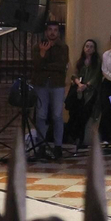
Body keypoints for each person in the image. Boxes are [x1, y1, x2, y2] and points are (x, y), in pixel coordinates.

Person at [32, 22, 70, 155]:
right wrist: (42, 53)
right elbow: (36, 65)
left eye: (55, 30)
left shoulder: (63, 47)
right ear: (46, 32)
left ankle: (58, 146)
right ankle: (41, 145)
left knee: (57, 115)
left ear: (58, 33)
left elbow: (61, 66)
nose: (52, 33)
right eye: (50, 30)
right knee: (41, 115)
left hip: (57, 84)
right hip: (41, 84)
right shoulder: (38, 47)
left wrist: (45, 65)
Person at [63, 39, 102, 150]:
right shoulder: (80, 62)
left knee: (84, 115)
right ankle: (72, 137)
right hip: (79, 92)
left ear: (94, 49)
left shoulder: (97, 62)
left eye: (91, 47)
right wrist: (79, 84)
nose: (88, 48)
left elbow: (96, 77)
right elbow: (74, 75)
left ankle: (80, 138)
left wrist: (86, 85)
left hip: (90, 93)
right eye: (86, 46)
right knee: (75, 115)